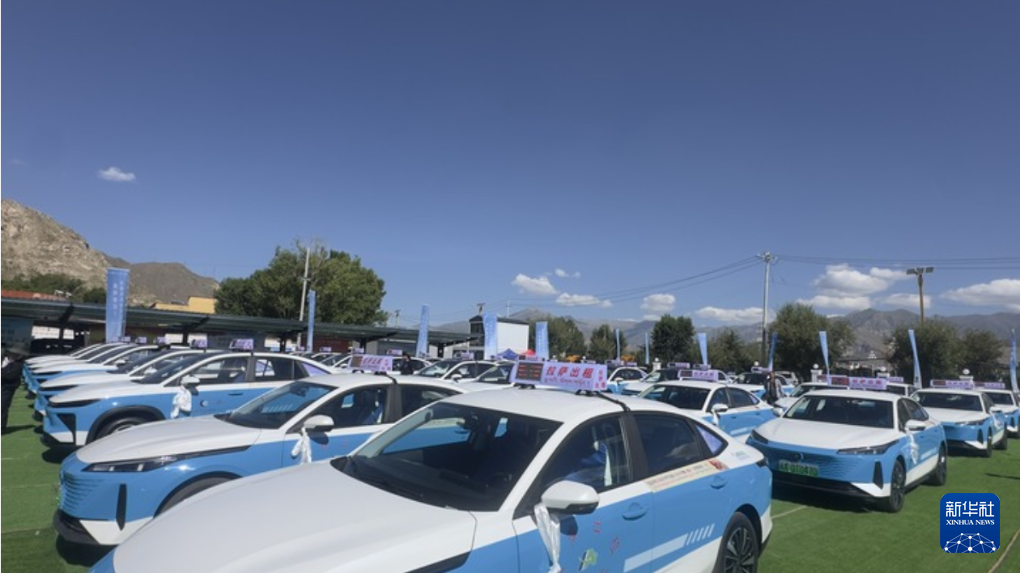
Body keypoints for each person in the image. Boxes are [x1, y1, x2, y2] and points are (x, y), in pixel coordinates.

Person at [2, 342, 30, 433]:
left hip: (8, 388)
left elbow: (10, 376)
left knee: (2, 407)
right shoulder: (4, 359)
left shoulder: (18, 365)